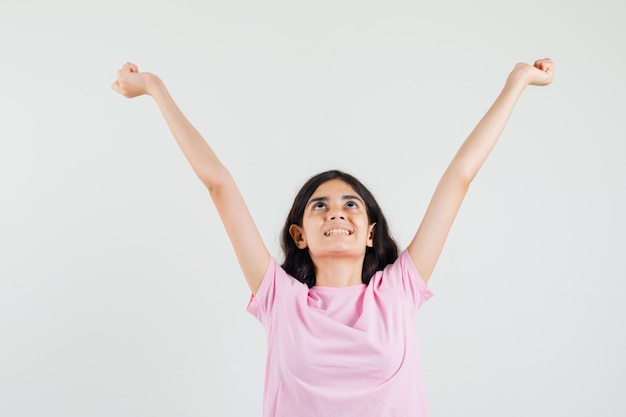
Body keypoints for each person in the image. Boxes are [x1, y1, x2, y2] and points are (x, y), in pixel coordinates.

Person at [112, 58, 554, 417]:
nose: (336, 212)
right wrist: (155, 89)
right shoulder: (280, 299)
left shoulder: (397, 291)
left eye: (351, 204)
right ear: (300, 235)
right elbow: (219, 185)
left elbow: (460, 176)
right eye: (320, 205)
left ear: (370, 234)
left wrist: (515, 83)